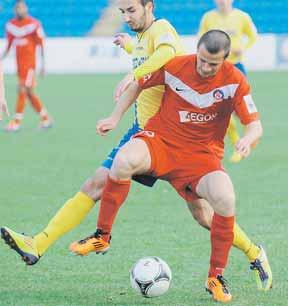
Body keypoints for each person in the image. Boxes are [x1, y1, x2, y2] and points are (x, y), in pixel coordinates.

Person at [0, 1, 270, 296]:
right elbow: (156, 62)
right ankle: (44, 243)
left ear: (148, 7)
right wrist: (131, 50)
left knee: (205, 214)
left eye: (131, 10)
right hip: (151, 133)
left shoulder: (162, 30)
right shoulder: (143, 38)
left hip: (163, 134)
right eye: (122, 12)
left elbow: (166, 54)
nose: (126, 17)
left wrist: (134, 75)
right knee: (98, 182)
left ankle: (252, 252)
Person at [73, 30, 268, 302]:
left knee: (223, 200)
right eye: (202, 60)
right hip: (160, 143)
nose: (205, 67)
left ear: (225, 59)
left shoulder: (235, 81)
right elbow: (139, 83)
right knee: (124, 159)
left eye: (213, 63)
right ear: (197, 51)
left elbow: (255, 125)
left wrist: (247, 139)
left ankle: (215, 277)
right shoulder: (177, 65)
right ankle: (102, 236)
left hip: (201, 156)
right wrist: (114, 117)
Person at [198, 0, 258, 163]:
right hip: (216, 68)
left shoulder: (241, 17)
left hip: (236, 67)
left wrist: (243, 48)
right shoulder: (208, 18)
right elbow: (201, 39)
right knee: (221, 109)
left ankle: (249, 138)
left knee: (241, 109)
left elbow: (253, 36)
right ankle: (237, 144)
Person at [0, 0, 52, 132]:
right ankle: (45, 118)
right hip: (20, 66)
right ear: (14, 9)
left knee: (22, 89)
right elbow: (9, 45)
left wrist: (43, 65)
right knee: (28, 93)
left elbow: (41, 45)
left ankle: (16, 122)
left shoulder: (34, 24)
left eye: (22, 7)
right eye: (17, 7)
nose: (20, 9)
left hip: (30, 65)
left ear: (26, 8)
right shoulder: (11, 25)